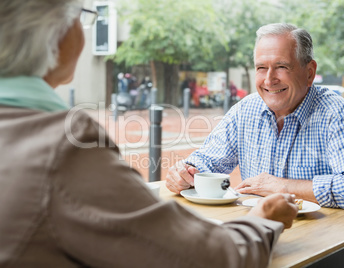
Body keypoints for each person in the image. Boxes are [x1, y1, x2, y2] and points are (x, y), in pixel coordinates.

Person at [0, 2, 298, 267]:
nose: (269, 78)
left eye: (281, 66)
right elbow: (205, 257)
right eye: (82, 16)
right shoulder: (64, 145)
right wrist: (262, 221)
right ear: (58, 33)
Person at [166, 23, 344, 213]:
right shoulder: (245, 110)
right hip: (260, 236)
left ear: (309, 72)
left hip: (322, 245)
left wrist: (283, 187)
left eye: (281, 67)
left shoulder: (336, 115)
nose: (269, 80)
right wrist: (185, 173)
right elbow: (208, 162)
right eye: (261, 68)